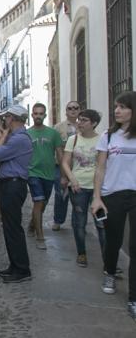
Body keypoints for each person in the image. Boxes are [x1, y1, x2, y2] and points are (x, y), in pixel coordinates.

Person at [91, 91, 136, 319]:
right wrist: (97, 197)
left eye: (123, 107)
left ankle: (134, 298)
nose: (117, 110)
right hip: (113, 195)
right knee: (114, 240)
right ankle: (109, 272)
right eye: (116, 106)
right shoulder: (108, 137)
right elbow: (100, 169)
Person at [0, 104, 33, 283]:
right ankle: (15, 266)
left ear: (13, 119)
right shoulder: (16, 137)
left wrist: (3, 137)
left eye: (7, 117)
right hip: (10, 185)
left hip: (13, 186)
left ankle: (22, 269)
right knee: (10, 228)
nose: (4, 120)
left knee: (13, 228)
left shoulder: (19, 139)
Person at [61, 109, 103, 267]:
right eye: (79, 120)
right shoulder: (74, 139)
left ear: (94, 123)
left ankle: (108, 260)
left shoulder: (102, 140)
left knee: (101, 223)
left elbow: (103, 164)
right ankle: (81, 253)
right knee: (79, 222)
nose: (79, 123)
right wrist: (72, 179)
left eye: (84, 120)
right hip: (78, 188)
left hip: (97, 189)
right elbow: (65, 162)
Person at [26, 103, 63, 250]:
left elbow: (59, 153)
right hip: (32, 172)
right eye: (35, 113)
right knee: (39, 201)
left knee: (43, 202)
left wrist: (63, 173)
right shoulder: (27, 134)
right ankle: (40, 236)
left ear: (45, 115)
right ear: (32, 115)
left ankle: (32, 223)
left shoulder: (53, 133)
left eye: (41, 113)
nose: (38, 116)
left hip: (49, 174)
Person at [52, 101, 81, 231]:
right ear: (66, 111)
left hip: (79, 166)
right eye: (70, 108)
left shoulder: (84, 125)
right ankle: (58, 220)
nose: (73, 110)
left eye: (76, 108)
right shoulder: (58, 128)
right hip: (61, 166)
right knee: (60, 194)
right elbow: (55, 148)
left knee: (79, 195)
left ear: (79, 110)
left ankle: (79, 222)